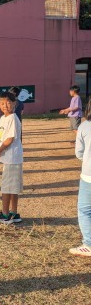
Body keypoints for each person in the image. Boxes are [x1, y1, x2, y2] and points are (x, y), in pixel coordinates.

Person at [0, 91, 23, 224]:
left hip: (12, 158)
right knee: (12, 187)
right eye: (2, 103)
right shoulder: (3, 118)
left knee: (7, 188)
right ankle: (14, 213)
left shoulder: (13, 118)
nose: (5, 105)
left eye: (8, 102)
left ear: (14, 103)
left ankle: (5, 215)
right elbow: (1, 138)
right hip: (8, 158)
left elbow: (9, 139)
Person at [70, 97, 91, 256]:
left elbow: (79, 152)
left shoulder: (84, 126)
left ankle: (89, 244)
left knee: (84, 210)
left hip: (88, 175)